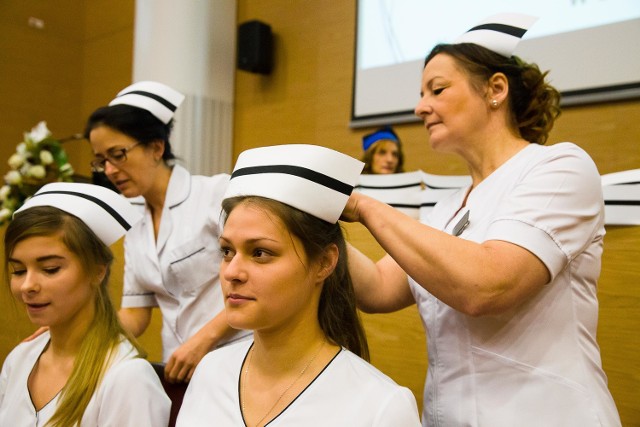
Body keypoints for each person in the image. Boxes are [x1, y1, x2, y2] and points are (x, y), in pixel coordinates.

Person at [341, 13, 621, 427]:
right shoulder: (445, 209)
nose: (420, 107)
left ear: (495, 89)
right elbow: (379, 289)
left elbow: (486, 286)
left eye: (437, 89)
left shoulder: (561, 167)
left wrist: (366, 208)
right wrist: (315, 215)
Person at [176, 144, 421, 427]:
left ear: (324, 263)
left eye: (260, 253)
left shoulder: (380, 407)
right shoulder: (210, 372)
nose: (232, 272)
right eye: (227, 251)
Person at [84, 80, 250, 383]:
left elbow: (255, 288)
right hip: (178, 368)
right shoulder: (133, 218)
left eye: (117, 155)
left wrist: (203, 341)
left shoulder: (216, 194)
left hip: (238, 357)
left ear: (156, 148)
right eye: (101, 160)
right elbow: (136, 313)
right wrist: (81, 333)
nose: (109, 170)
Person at [0, 182, 170, 427]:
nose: (27, 285)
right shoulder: (20, 359)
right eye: (18, 270)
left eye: (50, 269)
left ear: (97, 271)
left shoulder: (127, 377)